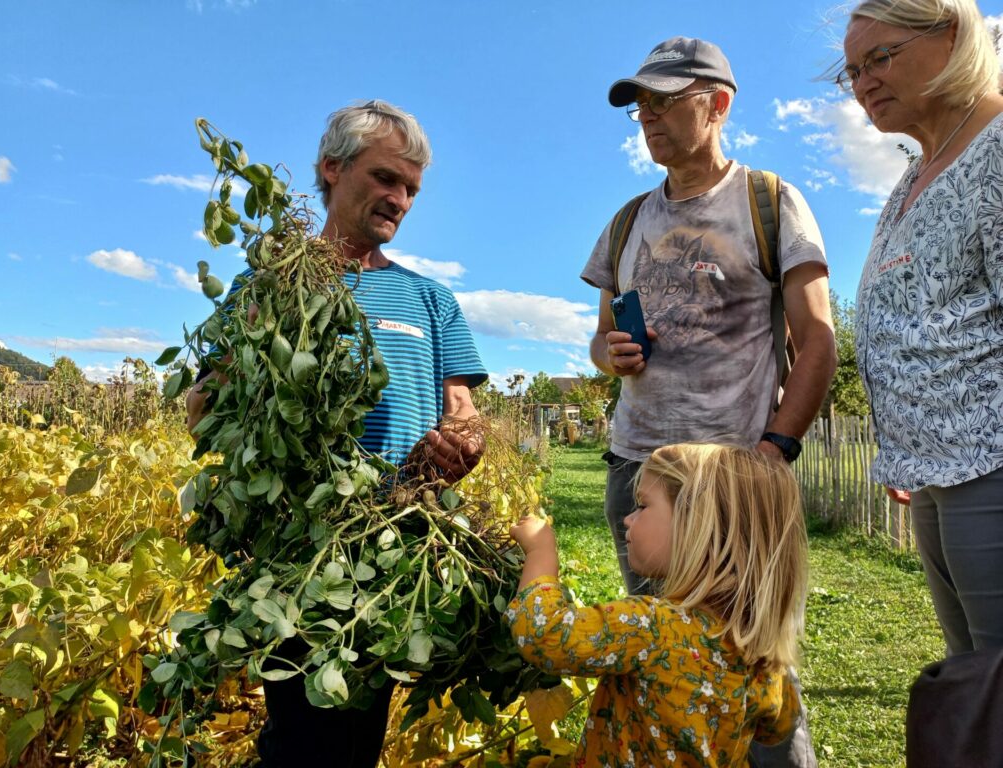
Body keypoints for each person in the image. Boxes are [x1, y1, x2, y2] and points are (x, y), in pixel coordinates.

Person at [186, 100, 488, 767]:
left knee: (353, 737)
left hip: (390, 549)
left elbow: (463, 411)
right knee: (302, 740)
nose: (400, 199)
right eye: (385, 178)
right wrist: (242, 369)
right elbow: (203, 415)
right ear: (331, 168)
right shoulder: (265, 284)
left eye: (410, 188)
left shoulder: (429, 300)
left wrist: (462, 443)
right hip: (299, 554)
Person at [582, 37, 834, 768]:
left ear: (717, 104)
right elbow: (599, 340)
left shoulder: (771, 202)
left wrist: (772, 451)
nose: (649, 118)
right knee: (657, 664)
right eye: (640, 107)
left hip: (732, 475)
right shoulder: (627, 222)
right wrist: (611, 354)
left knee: (756, 668)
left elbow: (817, 340)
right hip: (639, 470)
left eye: (665, 101)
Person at [842, 0, 1003, 657]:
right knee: (975, 683)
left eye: (880, 57)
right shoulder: (916, 172)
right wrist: (907, 446)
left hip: (991, 468)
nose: (864, 82)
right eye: (851, 71)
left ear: (955, 35)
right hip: (938, 474)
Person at [508, 443, 808, 768]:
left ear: (695, 526)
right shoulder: (763, 656)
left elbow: (545, 634)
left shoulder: (652, 628)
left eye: (642, 505)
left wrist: (541, 552)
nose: (627, 519)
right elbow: (776, 728)